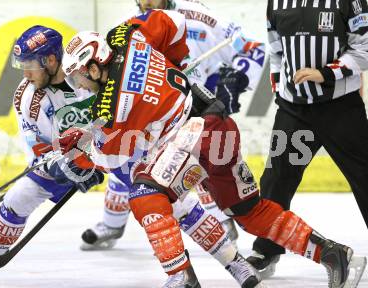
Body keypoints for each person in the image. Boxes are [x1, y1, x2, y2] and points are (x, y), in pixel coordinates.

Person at [60, 9, 366, 288]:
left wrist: (81, 156)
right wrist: (174, 60)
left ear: (95, 64)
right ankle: (335, 254)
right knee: (248, 211)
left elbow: (114, 157)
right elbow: (174, 22)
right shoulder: (126, 35)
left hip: (194, 134)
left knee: (145, 195)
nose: (79, 85)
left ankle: (181, 277)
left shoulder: (113, 105)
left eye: (79, 77)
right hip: (217, 124)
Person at [79, 0, 266, 253]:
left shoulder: (199, 17)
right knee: (130, 162)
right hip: (158, 114)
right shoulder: (130, 24)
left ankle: (223, 221)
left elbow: (253, 49)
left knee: (200, 167)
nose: (145, 2)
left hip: (198, 105)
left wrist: (236, 81)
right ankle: (113, 223)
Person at [0, 25, 104, 288]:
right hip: (67, 160)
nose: (25, 72)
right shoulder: (28, 96)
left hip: (117, 146)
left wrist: (104, 155)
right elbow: (42, 151)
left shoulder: (83, 70)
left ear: (52, 60)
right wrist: (74, 168)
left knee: (157, 189)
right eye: (22, 65)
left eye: (31, 64)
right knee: (17, 197)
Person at [246, 0, 368, 280]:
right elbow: (276, 50)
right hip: (294, 110)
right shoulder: (276, 2)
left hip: (341, 107)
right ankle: (267, 249)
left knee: (365, 176)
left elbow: (364, 49)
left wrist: (325, 73)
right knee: (276, 179)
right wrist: (280, 87)